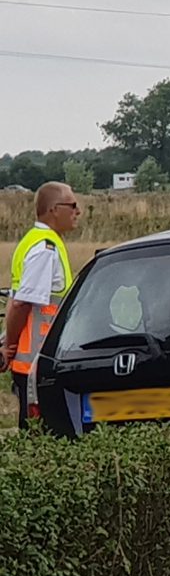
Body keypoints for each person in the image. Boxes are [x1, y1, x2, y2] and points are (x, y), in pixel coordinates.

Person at [5, 182, 81, 428]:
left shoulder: (40, 241)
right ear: (53, 210)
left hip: (41, 361)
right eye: (72, 205)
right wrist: (10, 345)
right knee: (42, 434)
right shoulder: (44, 248)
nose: (78, 211)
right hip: (37, 361)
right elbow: (21, 304)